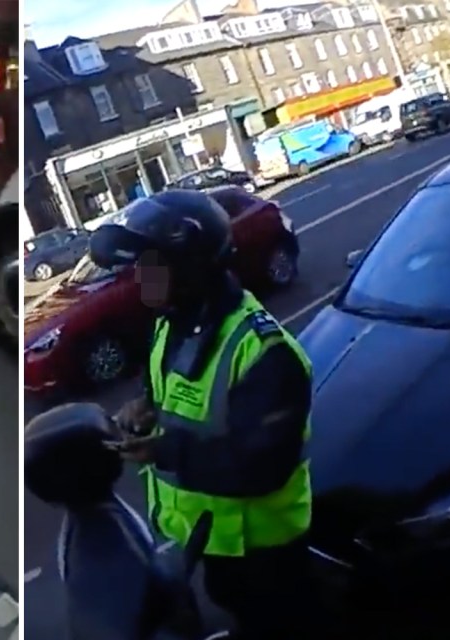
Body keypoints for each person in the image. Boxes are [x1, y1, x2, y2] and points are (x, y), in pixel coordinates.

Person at [88, 189, 317, 640]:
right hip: (213, 543)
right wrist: (146, 406)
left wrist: (165, 450)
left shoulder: (264, 353)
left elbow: (262, 467)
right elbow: (169, 388)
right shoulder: (171, 321)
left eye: (153, 265)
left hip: (267, 554)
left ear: (194, 268)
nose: (140, 278)